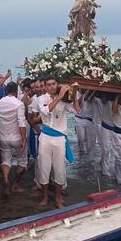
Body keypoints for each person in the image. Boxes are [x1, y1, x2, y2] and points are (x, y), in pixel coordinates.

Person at [35, 78, 72, 208]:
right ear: (45, 87)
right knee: (43, 168)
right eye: (48, 85)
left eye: (53, 84)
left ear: (57, 85)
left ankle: (58, 198)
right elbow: (45, 111)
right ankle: (44, 197)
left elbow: (76, 110)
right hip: (45, 137)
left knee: (59, 169)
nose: (51, 87)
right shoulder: (41, 99)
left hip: (60, 138)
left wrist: (76, 93)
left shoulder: (64, 99)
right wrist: (59, 97)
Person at [0, 82, 28, 195]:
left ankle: (5, 178)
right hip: (16, 137)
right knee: (22, 161)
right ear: (16, 91)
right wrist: (24, 139)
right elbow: (21, 123)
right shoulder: (18, 104)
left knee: (6, 160)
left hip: (3, 136)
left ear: (6, 90)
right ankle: (15, 185)